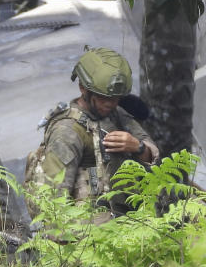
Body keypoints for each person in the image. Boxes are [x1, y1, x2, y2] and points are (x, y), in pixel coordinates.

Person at [25, 47, 159, 218]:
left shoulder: (115, 114)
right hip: (89, 231)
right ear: (83, 88)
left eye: (116, 98)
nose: (110, 103)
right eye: (103, 97)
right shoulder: (67, 132)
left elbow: (153, 157)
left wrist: (138, 147)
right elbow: (52, 202)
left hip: (129, 220)